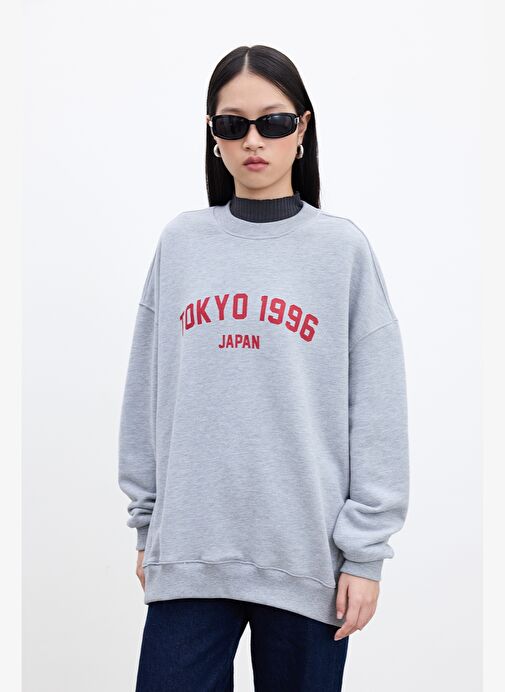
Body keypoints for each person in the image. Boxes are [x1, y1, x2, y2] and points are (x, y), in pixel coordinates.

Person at [118, 44, 410, 691]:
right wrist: (148, 526)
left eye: (273, 122)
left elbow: (378, 410)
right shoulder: (181, 243)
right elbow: (146, 390)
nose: (253, 140)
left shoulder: (341, 251)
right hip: (189, 552)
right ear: (213, 134)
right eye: (233, 124)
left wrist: (365, 556)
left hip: (306, 559)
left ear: (301, 129)